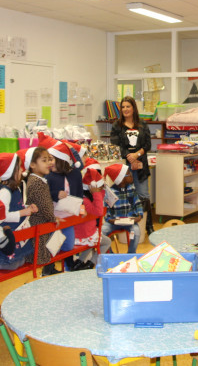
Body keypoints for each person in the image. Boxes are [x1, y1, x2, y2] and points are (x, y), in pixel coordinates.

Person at [110, 96, 154, 235]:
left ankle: (148, 226)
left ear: (133, 108)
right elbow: (115, 145)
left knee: (143, 196)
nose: (125, 109)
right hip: (125, 168)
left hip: (141, 166)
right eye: (123, 107)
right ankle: (129, 228)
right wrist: (129, 156)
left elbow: (147, 144)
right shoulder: (117, 126)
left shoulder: (142, 124)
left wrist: (137, 154)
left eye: (128, 106)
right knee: (126, 196)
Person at [0, 153, 36, 269]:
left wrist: (28, 208)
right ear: (11, 172)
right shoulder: (5, 192)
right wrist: (23, 213)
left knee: (20, 262)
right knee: (12, 265)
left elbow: (16, 206)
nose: (22, 170)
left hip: (17, 232)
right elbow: (1, 216)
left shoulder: (15, 188)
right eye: (19, 167)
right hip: (9, 232)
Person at [46, 140, 83, 271]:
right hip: (54, 218)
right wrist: (56, 194)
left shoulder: (74, 174)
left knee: (68, 245)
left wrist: (79, 206)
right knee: (52, 246)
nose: (49, 163)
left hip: (69, 217)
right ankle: (48, 269)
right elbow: (43, 196)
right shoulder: (48, 176)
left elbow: (79, 193)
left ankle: (69, 267)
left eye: (52, 159)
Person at [24, 147, 60, 275]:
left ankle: (47, 270)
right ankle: (44, 273)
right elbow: (44, 205)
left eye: (49, 160)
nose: (49, 163)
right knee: (42, 253)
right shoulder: (37, 183)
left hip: (43, 225)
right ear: (33, 165)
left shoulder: (38, 180)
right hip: (39, 224)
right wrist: (53, 218)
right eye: (44, 161)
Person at [73, 158, 110, 270]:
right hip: (83, 235)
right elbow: (99, 211)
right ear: (92, 188)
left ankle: (80, 263)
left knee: (93, 242)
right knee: (106, 242)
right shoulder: (85, 201)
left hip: (85, 234)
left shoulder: (83, 196)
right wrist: (97, 193)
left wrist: (99, 191)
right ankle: (90, 264)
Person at [101, 163, 143, 254]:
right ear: (121, 179)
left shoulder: (131, 188)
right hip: (114, 222)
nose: (131, 174)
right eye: (128, 173)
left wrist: (139, 215)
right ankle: (111, 255)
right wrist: (110, 219)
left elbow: (137, 203)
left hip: (130, 221)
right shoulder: (110, 192)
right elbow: (106, 209)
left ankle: (130, 254)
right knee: (102, 232)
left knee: (136, 232)